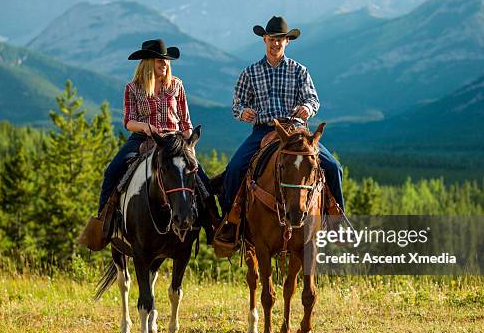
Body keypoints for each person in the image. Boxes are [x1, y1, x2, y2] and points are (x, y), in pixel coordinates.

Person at [215, 16, 345, 245]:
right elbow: (237, 104)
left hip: (296, 131)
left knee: (333, 167)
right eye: (272, 39)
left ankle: (337, 221)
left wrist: (306, 107)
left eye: (281, 40)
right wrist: (243, 112)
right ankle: (231, 222)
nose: (276, 43)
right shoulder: (250, 73)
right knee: (235, 169)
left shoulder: (299, 71)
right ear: (264, 39)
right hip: (262, 131)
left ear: (287, 42)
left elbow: (312, 99)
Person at [79, 39, 216, 250]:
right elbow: (128, 122)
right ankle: (103, 224)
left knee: (201, 178)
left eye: (166, 61)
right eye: (159, 60)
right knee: (112, 171)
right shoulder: (133, 88)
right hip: (143, 138)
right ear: (147, 62)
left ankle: (214, 226)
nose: (164, 65)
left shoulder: (176, 85)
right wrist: (145, 127)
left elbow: (186, 121)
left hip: (174, 139)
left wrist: (189, 145)